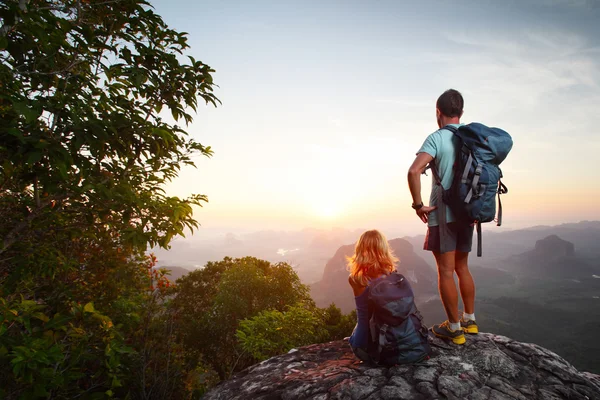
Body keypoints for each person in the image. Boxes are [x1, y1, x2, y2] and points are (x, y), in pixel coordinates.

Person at [407, 89, 478, 345]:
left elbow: (413, 171)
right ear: (460, 112)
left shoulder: (436, 138)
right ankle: (470, 321)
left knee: (445, 271)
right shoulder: (473, 138)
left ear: (438, 112)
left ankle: (455, 329)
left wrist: (418, 205)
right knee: (462, 267)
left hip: (443, 215)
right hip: (468, 214)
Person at [347, 230, 430, 364]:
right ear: (384, 249)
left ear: (360, 249)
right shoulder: (394, 277)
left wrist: (356, 343)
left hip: (386, 350)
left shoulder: (358, 280)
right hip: (416, 345)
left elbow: (363, 318)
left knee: (353, 339)